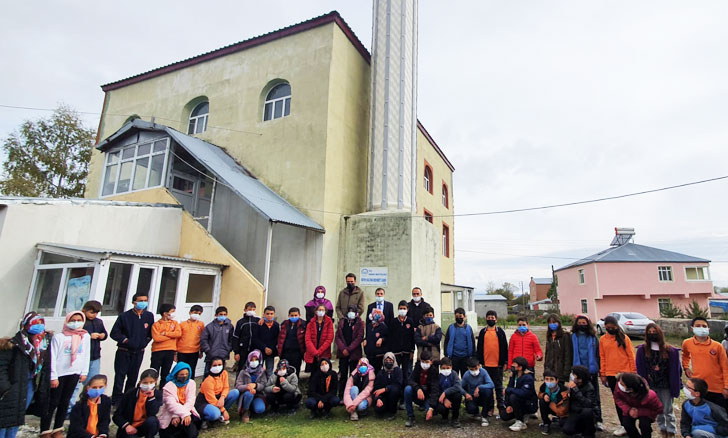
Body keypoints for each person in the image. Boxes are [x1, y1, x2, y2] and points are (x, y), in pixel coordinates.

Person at [0, 312, 51, 438]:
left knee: (17, 417)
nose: (39, 326)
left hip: (29, 386)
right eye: (35, 323)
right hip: (13, 386)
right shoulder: (14, 344)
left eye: (41, 323)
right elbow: (2, 367)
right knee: (4, 418)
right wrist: (5, 388)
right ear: (26, 325)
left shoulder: (42, 345)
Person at [42, 311, 91, 438]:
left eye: (79, 320)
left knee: (65, 402)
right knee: (52, 402)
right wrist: (53, 376)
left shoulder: (85, 336)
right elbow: (52, 357)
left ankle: (58, 429)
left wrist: (84, 372)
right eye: (72, 320)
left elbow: (86, 354)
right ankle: (45, 430)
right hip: (59, 374)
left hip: (74, 372)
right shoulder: (59, 337)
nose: (76, 323)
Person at [636, 323, 682, 438]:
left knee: (668, 409)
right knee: (658, 409)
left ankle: (671, 430)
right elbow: (640, 367)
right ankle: (662, 428)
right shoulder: (643, 350)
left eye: (654, 332)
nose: (652, 334)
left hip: (665, 384)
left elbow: (676, 369)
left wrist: (676, 383)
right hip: (651, 384)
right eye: (649, 332)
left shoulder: (669, 350)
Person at [110, 293, 154, 405]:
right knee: (120, 376)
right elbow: (114, 333)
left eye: (145, 300)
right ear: (134, 302)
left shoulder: (149, 316)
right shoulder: (124, 316)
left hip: (139, 352)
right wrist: (126, 341)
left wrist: (144, 342)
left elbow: (150, 333)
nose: (143, 302)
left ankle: (128, 400)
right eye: (140, 300)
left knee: (133, 377)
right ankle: (116, 401)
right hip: (124, 351)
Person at [600, 315, 638, 436]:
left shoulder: (624, 338)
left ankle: (630, 423)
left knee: (629, 400)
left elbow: (631, 356)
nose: (611, 329)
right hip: (611, 374)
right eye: (608, 327)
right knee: (618, 401)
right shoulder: (602, 339)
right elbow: (602, 357)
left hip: (625, 374)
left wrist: (633, 372)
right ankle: (623, 424)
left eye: (613, 327)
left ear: (617, 326)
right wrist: (603, 373)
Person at [682, 316, 728, 411]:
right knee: (702, 413)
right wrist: (686, 367)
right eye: (698, 326)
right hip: (699, 387)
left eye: (704, 326)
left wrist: (726, 387)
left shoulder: (717, 346)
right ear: (692, 328)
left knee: (721, 415)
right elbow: (685, 355)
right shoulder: (687, 343)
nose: (701, 328)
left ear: (708, 329)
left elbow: (725, 367)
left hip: (717, 388)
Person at [69, 301, 107, 413]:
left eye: (96, 313)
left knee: (92, 382)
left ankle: (87, 405)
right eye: (91, 312)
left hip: (95, 356)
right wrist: (89, 336)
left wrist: (102, 335)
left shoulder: (98, 322)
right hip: (80, 357)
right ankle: (69, 408)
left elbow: (105, 333)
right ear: (84, 310)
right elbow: (74, 335)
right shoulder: (80, 322)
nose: (94, 315)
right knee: (75, 384)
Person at [571, 314, 603, 429]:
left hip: (591, 370)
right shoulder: (573, 337)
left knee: (594, 396)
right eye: (579, 323)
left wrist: (599, 368)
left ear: (588, 324)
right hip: (577, 371)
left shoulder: (593, 337)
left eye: (584, 323)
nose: (581, 325)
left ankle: (598, 419)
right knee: (577, 395)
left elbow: (598, 354)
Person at [476, 310, 508, 415]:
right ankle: (490, 407)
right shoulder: (483, 332)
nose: (490, 319)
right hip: (486, 365)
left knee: (499, 387)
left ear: (496, 320)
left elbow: (505, 347)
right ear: (486, 319)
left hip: (498, 365)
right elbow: (479, 348)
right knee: (488, 387)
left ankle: (501, 407)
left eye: (492, 318)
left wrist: (505, 361)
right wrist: (479, 362)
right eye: (489, 318)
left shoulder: (500, 332)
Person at [113, 369, 162, 438]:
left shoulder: (158, 394)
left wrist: (151, 398)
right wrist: (126, 426)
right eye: (145, 383)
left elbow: (153, 413)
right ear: (140, 382)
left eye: (151, 382)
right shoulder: (130, 394)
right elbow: (117, 415)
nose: (148, 385)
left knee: (152, 421)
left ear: (155, 382)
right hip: (130, 427)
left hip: (144, 426)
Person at [614, 373, 663, 438]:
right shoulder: (619, 388)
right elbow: (618, 399)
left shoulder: (650, 395)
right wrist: (628, 410)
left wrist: (639, 412)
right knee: (627, 424)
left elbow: (658, 409)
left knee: (644, 425)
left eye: (622, 384)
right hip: (629, 409)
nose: (619, 384)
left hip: (645, 413)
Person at [158, 362, 200, 438]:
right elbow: (171, 404)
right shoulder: (168, 386)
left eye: (186, 374)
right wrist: (177, 415)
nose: (184, 376)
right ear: (176, 374)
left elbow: (190, 401)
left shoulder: (191, 383)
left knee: (192, 434)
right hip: (170, 413)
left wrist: (183, 414)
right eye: (181, 374)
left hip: (187, 411)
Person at [195, 357, 239, 426]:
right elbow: (211, 399)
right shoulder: (208, 380)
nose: (217, 367)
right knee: (215, 414)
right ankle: (204, 419)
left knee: (235, 392)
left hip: (219, 398)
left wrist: (222, 397)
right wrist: (223, 410)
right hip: (206, 402)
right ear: (210, 366)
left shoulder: (224, 373)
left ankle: (220, 415)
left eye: (219, 365)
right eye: (214, 365)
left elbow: (226, 387)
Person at [335, 305, 364, 399]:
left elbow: (359, 338)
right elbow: (338, 337)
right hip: (343, 353)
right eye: (349, 311)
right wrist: (343, 349)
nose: (351, 313)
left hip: (354, 353)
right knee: (343, 375)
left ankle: (352, 395)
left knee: (353, 375)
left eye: (353, 311)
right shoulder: (342, 322)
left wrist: (349, 349)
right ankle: (341, 395)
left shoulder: (360, 323)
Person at [404, 350, 440, 428]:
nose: (424, 364)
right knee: (407, 389)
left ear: (431, 362)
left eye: (426, 362)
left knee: (432, 412)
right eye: (423, 362)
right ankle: (410, 416)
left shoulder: (434, 371)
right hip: (418, 394)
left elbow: (435, 390)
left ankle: (428, 408)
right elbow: (410, 380)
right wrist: (418, 389)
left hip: (428, 396)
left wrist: (431, 408)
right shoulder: (417, 367)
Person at [501, 356, 537, 432]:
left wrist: (509, 390)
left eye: (514, 364)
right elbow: (508, 390)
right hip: (516, 403)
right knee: (504, 416)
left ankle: (520, 421)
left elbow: (523, 393)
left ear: (520, 367)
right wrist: (508, 405)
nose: (512, 366)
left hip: (528, 403)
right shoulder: (513, 376)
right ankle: (521, 414)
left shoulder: (528, 378)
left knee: (514, 396)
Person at [562, 365, 598, 438]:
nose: (571, 375)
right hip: (575, 411)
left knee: (587, 412)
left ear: (580, 379)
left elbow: (588, 404)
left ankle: (589, 433)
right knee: (567, 429)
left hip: (585, 412)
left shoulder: (589, 387)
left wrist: (576, 390)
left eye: (573, 374)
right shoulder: (573, 385)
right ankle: (580, 430)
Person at [389, 300, 416, 394]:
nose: (402, 310)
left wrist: (412, 351)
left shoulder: (410, 321)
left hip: (407, 353)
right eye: (400, 308)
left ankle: (405, 395)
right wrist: (391, 352)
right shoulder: (393, 321)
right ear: (398, 309)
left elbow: (412, 337)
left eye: (404, 308)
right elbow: (390, 337)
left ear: (407, 310)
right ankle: (396, 393)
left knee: (406, 374)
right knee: (396, 373)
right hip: (395, 352)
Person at [234, 350, 268, 423]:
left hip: (258, 395)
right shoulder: (243, 372)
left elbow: (264, 384)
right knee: (249, 394)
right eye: (252, 360)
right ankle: (245, 411)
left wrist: (256, 386)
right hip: (246, 395)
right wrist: (247, 387)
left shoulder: (262, 372)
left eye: (256, 360)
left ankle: (252, 408)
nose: (254, 362)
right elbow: (238, 386)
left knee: (260, 409)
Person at [151, 304, 182, 383]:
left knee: (166, 372)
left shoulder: (175, 323)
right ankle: (152, 386)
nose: (174, 313)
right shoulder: (156, 324)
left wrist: (165, 333)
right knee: (154, 372)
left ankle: (163, 388)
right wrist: (171, 336)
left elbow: (178, 334)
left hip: (170, 350)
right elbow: (157, 338)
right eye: (172, 311)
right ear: (165, 313)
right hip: (157, 351)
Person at [432, 357, 465, 428]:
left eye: (447, 368)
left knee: (458, 395)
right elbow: (436, 390)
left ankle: (455, 418)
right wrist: (444, 399)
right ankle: (444, 416)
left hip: (452, 396)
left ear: (451, 367)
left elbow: (458, 386)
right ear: (440, 368)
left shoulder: (454, 374)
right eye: (443, 368)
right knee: (440, 407)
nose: (446, 370)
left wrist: (445, 393)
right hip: (442, 398)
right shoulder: (438, 376)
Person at [461, 356, 495, 426]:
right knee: (471, 409)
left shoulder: (483, 372)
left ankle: (484, 415)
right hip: (472, 396)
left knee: (488, 391)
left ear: (479, 366)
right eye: (472, 369)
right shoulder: (466, 375)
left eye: (476, 369)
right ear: (468, 368)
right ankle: (475, 413)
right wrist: (465, 394)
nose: (474, 371)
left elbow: (491, 384)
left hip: (482, 395)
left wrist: (479, 387)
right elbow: (459, 386)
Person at [200, 307, 233, 377]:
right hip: (211, 355)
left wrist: (228, 349)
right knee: (208, 375)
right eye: (221, 314)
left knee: (221, 375)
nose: (223, 316)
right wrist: (208, 350)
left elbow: (231, 339)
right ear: (216, 315)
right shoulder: (209, 327)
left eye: (224, 314)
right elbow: (204, 339)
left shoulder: (230, 326)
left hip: (223, 355)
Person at [443, 308, 475, 377]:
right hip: (454, 357)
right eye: (457, 316)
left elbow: (472, 342)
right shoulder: (451, 327)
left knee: (465, 377)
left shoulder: (469, 328)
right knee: (454, 377)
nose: (459, 318)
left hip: (466, 357)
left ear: (464, 317)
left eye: (460, 316)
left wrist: (473, 355)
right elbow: (446, 341)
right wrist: (446, 354)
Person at [277, 307, 307, 377]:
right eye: (292, 315)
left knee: (295, 371)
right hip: (285, 352)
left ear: (299, 315)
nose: (294, 317)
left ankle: (295, 383)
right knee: (284, 371)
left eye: (296, 315)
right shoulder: (284, 324)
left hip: (297, 353)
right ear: (289, 315)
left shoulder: (303, 324)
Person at [303, 304, 334, 373]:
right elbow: (307, 339)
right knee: (313, 373)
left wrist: (319, 351)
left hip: (324, 353)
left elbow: (329, 339)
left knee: (323, 373)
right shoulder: (310, 323)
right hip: (312, 353)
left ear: (325, 311)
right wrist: (314, 352)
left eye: (323, 310)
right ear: (316, 311)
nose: (321, 311)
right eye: (319, 310)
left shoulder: (329, 322)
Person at [537, 369, 568, 435]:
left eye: (551, 379)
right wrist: (544, 395)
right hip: (549, 407)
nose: (549, 382)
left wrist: (551, 404)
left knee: (564, 426)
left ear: (557, 380)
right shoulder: (543, 386)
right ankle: (546, 423)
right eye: (547, 379)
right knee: (542, 402)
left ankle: (558, 419)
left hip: (560, 411)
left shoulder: (563, 390)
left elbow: (563, 410)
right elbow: (539, 395)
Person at [177, 305, 204, 379]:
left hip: (194, 351)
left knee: (191, 370)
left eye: (199, 314)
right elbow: (177, 338)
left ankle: (190, 384)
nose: (197, 315)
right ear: (190, 312)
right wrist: (175, 353)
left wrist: (201, 351)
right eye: (195, 313)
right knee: (181, 370)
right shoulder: (182, 324)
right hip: (182, 351)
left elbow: (202, 338)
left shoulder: (201, 324)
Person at [372, 352, 402, 419]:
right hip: (383, 396)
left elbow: (398, 385)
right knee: (378, 409)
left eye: (390, 360)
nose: (388, 362)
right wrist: (378, 399)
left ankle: (392, 411)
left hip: (393, 395)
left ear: (394, 360)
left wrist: (386, 389)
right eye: (386, 360)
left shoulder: (398, 371)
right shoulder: (381, 372)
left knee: (394, 391)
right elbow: (376, 387)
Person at [544, 314, 572, 383]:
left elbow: (568, 355)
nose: (552, 324)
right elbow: (547, 354)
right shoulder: (549, 337)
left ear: (558, 323)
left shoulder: (565, 336)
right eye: (550, 323)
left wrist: (566, 372)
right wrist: (546, 368)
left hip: (561, 371)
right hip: (550, 371)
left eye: (554, 322)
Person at [253, 305, 279, 377]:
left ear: (274, 314)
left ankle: (269, 384)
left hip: (271, 352)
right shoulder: (259, 324)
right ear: (264, 314)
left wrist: (271, 348)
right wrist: (264, 348)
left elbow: (277, 339)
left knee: (270, 372)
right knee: (258, 371)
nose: (269, 315)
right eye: (267, 314)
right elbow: (255, 338)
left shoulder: (276, 325)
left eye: (271, 314)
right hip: (260, 351)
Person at [232, 302, 259, 370]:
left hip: (254, 350)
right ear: (245, 310)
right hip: (243, 350)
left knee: (253, 369)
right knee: (241, 369)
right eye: (249, 309)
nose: (251, 311)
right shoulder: (241, 322)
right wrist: (236, 352)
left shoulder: (257, 321)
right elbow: (236, 337)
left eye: (253, 309)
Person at [363, 308, 389, 373]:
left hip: (378, 355)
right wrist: (365, 340)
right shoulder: (369, 326)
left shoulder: (383, 327)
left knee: (377, 372)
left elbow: (387, 338)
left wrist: (382, 339)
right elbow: (368, 336)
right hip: (369, 354)